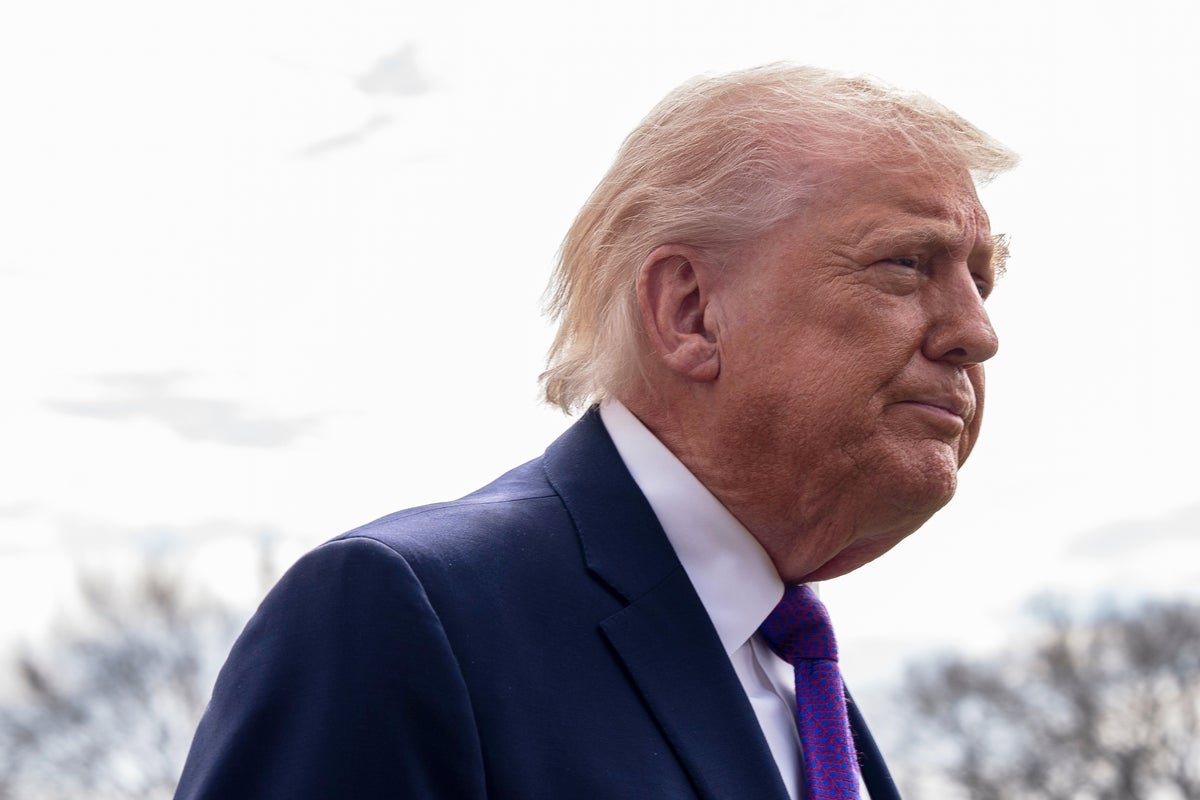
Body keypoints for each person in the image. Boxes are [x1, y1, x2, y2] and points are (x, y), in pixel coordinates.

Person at [174, 64, 1015, 800]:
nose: (977, 333)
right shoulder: (401, 612)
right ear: (690, 311)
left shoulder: (800, 683)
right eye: (906, 264)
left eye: (980, 282)